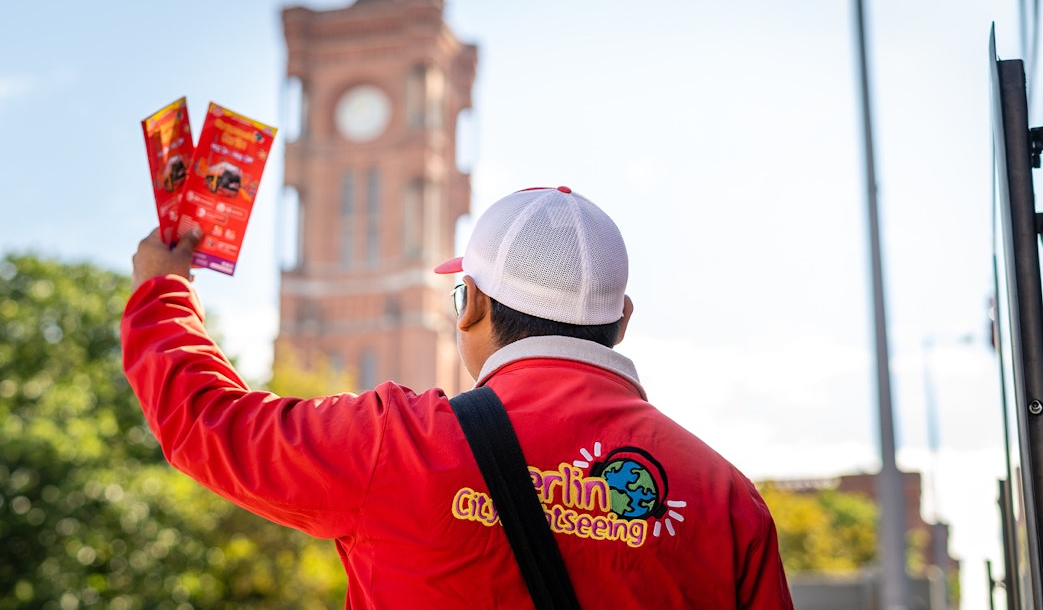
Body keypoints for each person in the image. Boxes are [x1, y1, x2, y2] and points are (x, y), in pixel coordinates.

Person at [122, 185, 794, 609]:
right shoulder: (725, 500)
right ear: (620, 320)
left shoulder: (395, 443)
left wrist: (162, 290)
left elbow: (207, 423)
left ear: (466, 303)